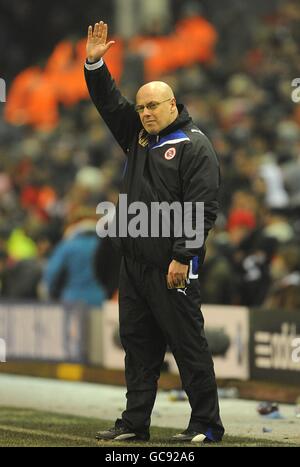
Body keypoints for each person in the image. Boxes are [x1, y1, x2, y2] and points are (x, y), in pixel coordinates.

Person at [85, 21, 224, 443]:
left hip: (171, 264)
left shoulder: (194, 145)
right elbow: (110, 103)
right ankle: (134, 423)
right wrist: (94, 63)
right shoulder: (139, 138)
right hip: (136, 265)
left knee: (187, 344)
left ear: (172, 105)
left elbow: (201, 208)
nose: (144, 113)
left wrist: (183, 256)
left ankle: (205, 425)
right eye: (141, 106)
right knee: (138, 346)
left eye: (153, 106)